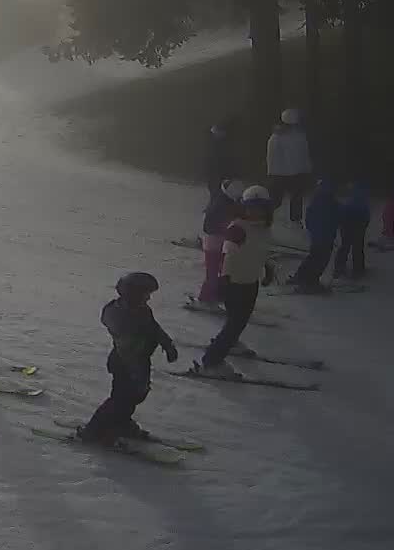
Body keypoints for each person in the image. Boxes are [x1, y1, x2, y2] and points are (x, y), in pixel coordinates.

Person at [76, 272, 177, 444]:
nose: (149, 298)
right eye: (146, 294)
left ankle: (121, 423)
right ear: (133, 294)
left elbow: (154, 329)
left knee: (136, 396)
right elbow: (125, 341)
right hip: (124, 362)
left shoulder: (143, 310)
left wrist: (167, 345)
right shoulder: (119, 313)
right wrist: (135, 369)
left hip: (140, 361)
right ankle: (93, 431)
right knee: (120, 399)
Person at [194, 185, 277, 376]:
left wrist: (269, 268)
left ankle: (230, 343)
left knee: (237, 321)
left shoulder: (264, 229)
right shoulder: (238, 228)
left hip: (250, 282)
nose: (254, 212)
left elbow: (263, 251)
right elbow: (226, 257)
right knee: (235, 323)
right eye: (250, 208)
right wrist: (223, 280)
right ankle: (211, 361)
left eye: (259, 208)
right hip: (234, 283)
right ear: (244, 208)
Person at [195, 180, 248, 307]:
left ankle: (217, 295)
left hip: (222, 244)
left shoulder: (227, 202)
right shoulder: (220, 205)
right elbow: (208, 227)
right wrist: (225, 230)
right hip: (214, 245)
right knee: (213, 273)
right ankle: (206, 298)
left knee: (223, 271)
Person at [290, 176, 341, 292]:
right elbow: (336, 217)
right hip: (325, 237)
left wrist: (312, 230)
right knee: (320, 260)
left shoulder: (317, 200)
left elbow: (309, 217)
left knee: (313, 257)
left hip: (318, 237)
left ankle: (302, 276)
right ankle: (310, 282)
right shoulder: (330, 202)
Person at [265, 109, 312, 224]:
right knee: (276, 199)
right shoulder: (276, 137)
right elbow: (271, 157)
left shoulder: (300, 135)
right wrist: (272, 172)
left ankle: (296, 219)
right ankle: (265, 216)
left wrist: (307, 168)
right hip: (280, 173)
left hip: (296, 172)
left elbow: (304, 154)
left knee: (297, 197)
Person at [333, 180, 372, 281]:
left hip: (351, 221)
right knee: (356, 246)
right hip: (355, 221)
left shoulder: (350, 196)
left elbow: (341, 210)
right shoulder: (359, 198)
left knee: (347, 245)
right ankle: (357, 268)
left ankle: (340, 268)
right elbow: (366, 214)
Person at [202, 121, 232, 198]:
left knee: (218, 193)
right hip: (215, 175)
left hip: (218, 174)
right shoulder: (214, 145)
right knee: (215, 193)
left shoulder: (219, 144)